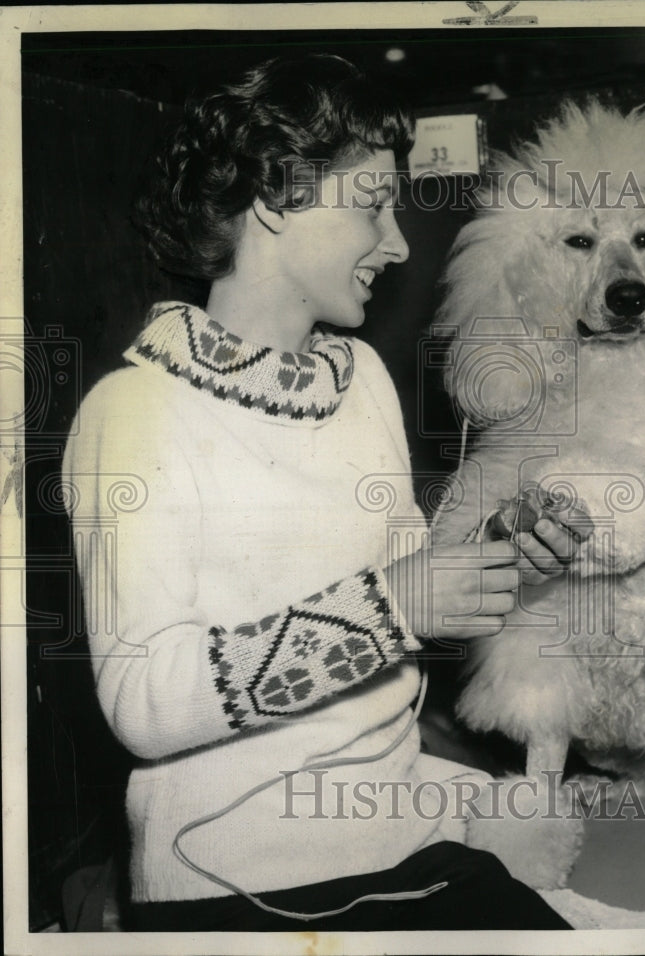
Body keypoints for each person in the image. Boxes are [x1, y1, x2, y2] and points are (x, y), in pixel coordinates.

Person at [62, 54, 585, 932]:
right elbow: (144, 702)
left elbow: (405, 581)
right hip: (237, 877)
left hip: (395, 839)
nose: (399, 242)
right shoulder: (137, 410)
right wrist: (394, 606)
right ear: (276, 198)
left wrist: (497, 549)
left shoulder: (361, 377)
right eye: (371, 204)